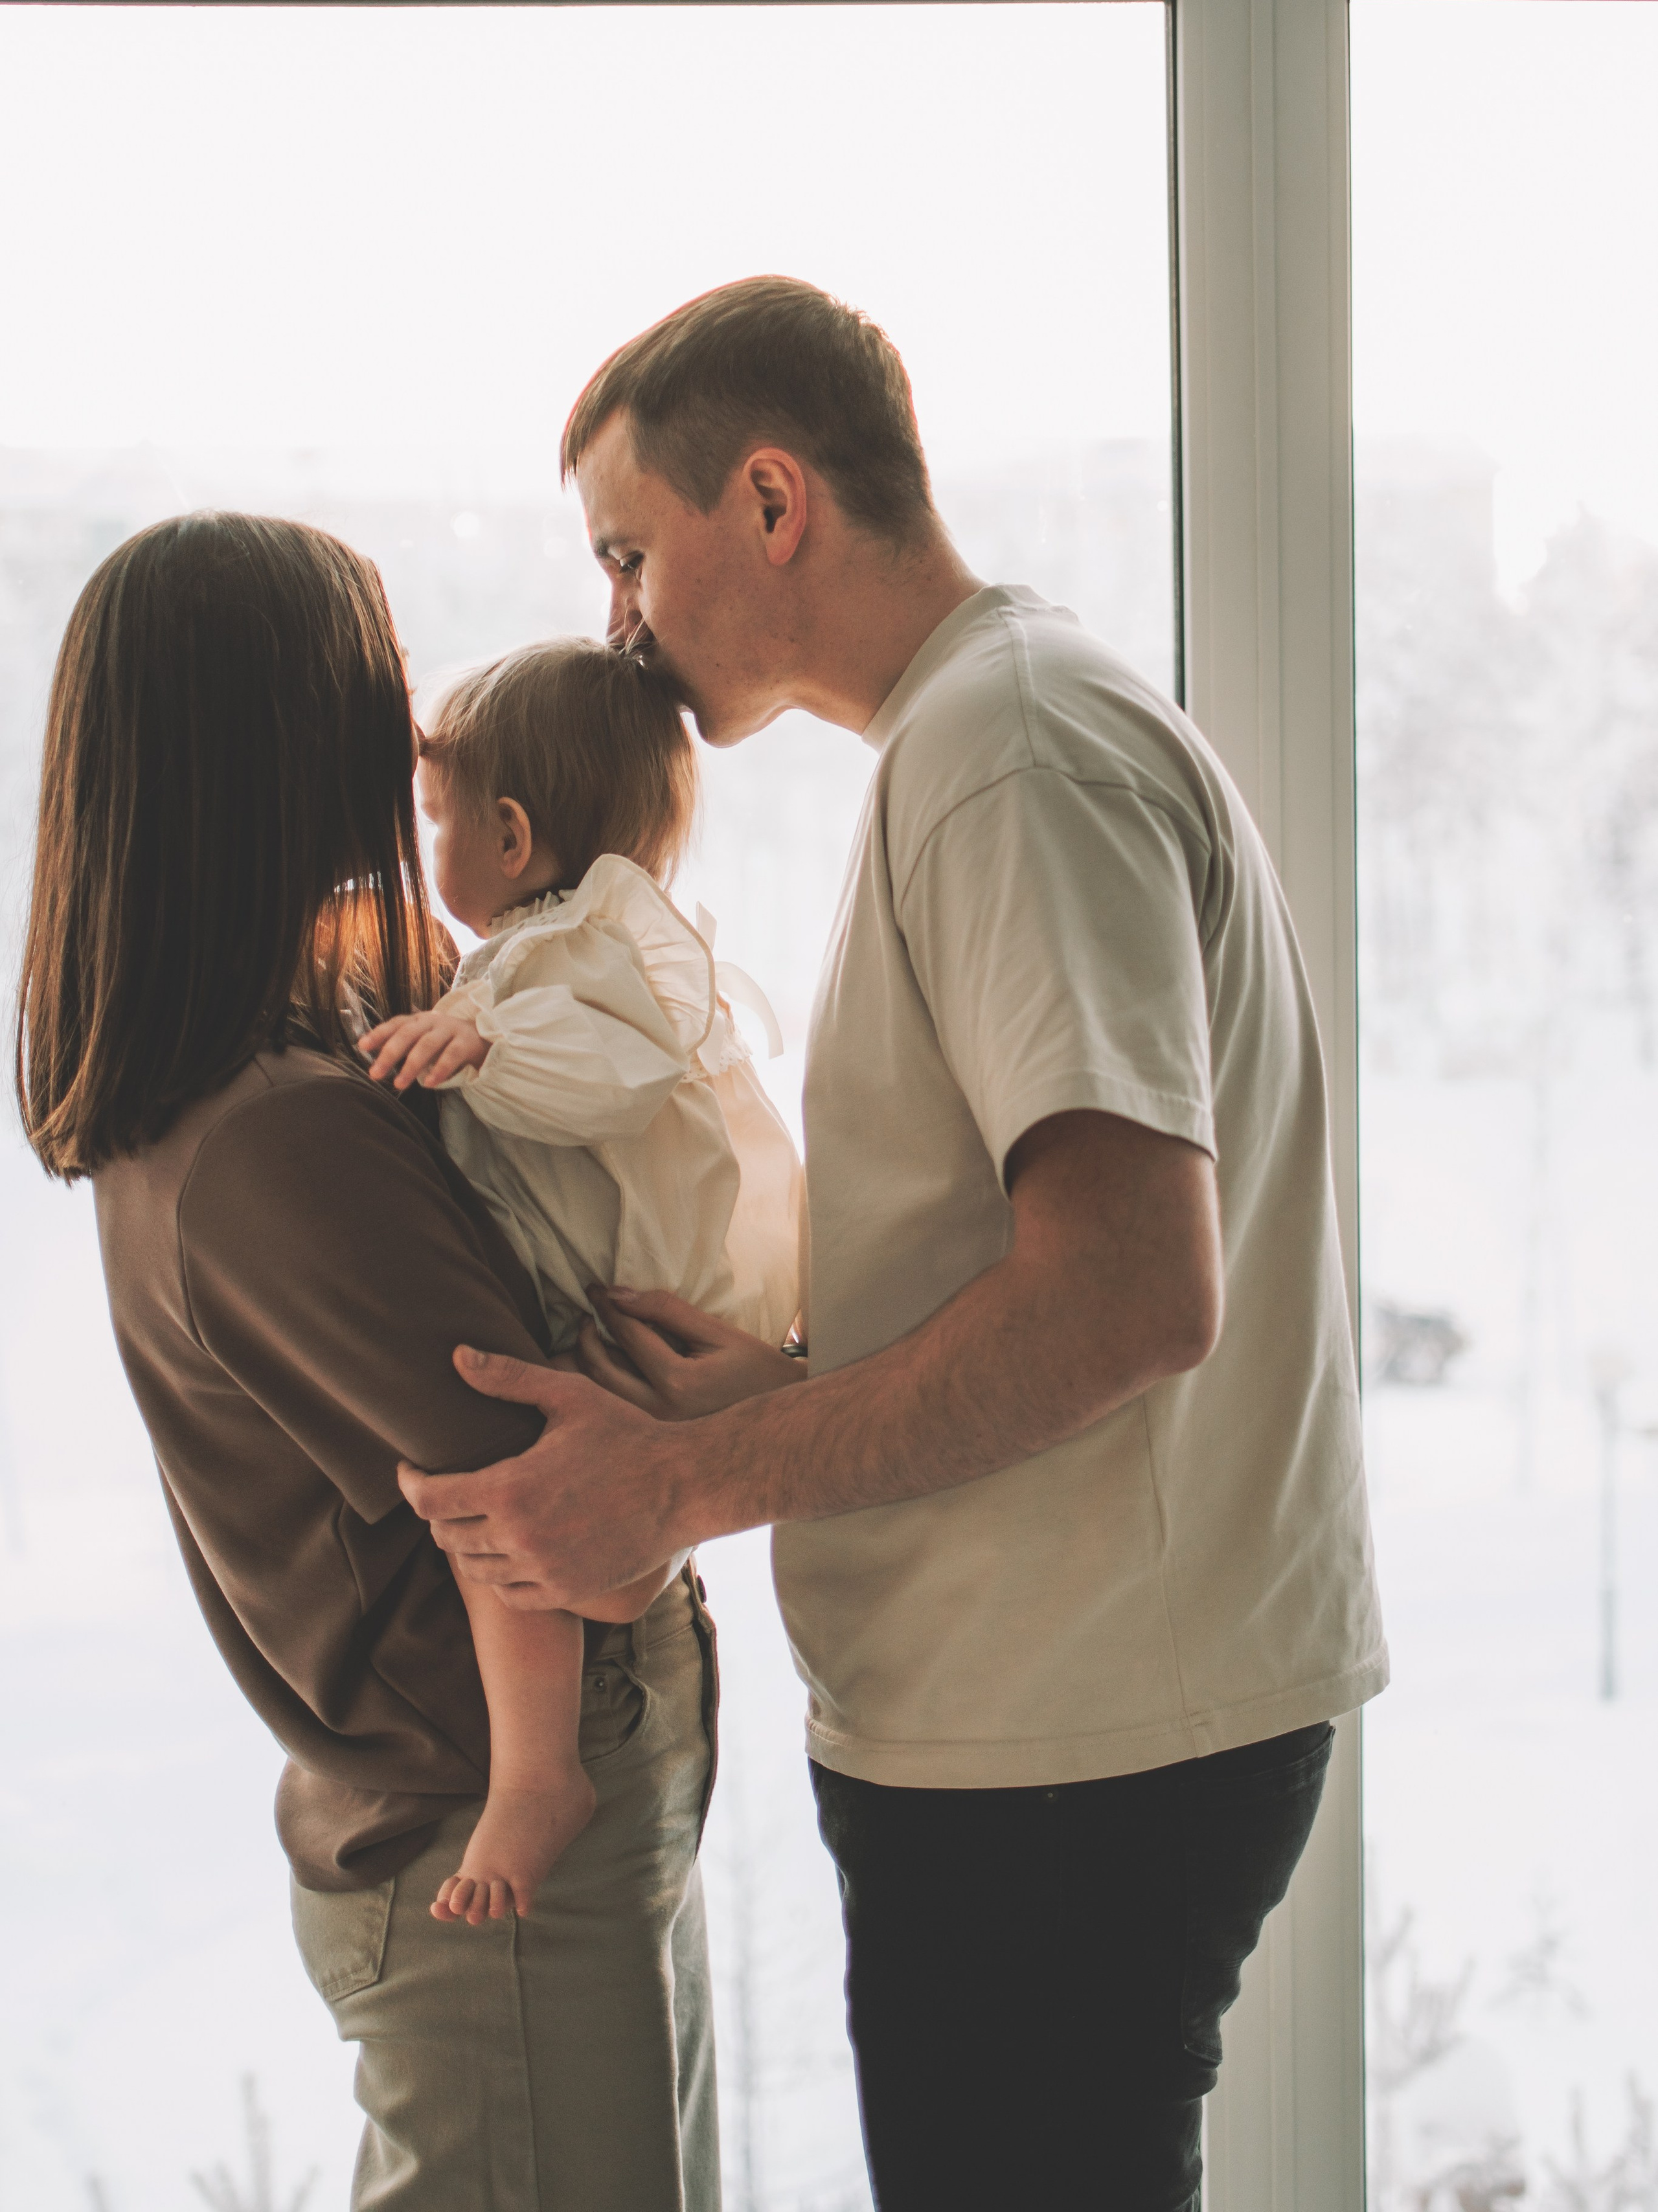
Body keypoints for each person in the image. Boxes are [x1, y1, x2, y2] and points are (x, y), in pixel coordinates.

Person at [402, 275, 1391, 2210]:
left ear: (771, 500)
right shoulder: (989, 733)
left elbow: (1128, 1295)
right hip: (1060, 1733)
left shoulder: (1009, 757)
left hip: (1072, 1758)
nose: (616, 623)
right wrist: (784, 1389)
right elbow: (1038, 1269)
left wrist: (684, 1482)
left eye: (628, 554)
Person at [15, 514, 721, 2212]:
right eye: (378, 691)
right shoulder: (279, 1136)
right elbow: (563, 1513)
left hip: (480, 1819)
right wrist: (731, 1408)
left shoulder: (275, 1046)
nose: (410, 738)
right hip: (495, 1833)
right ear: (285, 745)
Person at [359, 637, 801, 1928]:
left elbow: (609, 1074)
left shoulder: (576, 953)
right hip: (638, 1287)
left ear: (509, 836)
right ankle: (548, 1748)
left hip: (638, 1301)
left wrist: (480, 1043)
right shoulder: (563, 943)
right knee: (541, 1521)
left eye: (433, 817)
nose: (420, 845)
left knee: (513, 1508)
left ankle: (537, 1774)